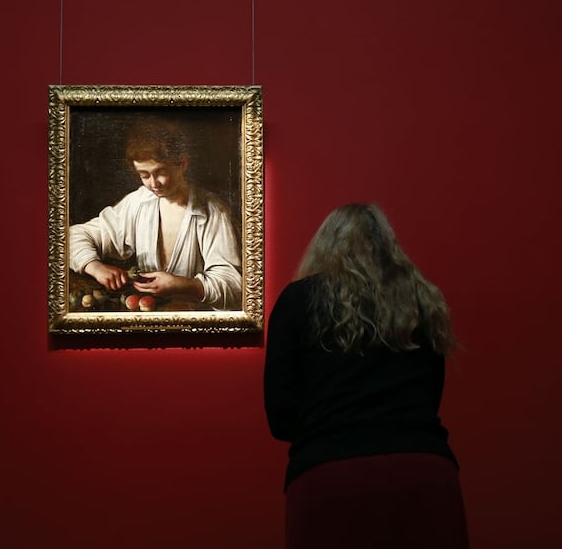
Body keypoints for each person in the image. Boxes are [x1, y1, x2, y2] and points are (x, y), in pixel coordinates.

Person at [264, 203, 468, 548]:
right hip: (424, 472)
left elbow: (281, 418)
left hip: (329, 477)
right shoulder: (421, 298)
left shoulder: (297, 300)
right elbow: (431, 397)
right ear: (388, 247)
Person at [68, 118, 242, 310]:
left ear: (182, 163)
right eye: (144, 175)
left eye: (160, 172)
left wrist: (185, 285)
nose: (153, 183)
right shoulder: (138, 202)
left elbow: (235, 288)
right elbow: (71, 236)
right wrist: (95, 266)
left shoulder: (213, 211)